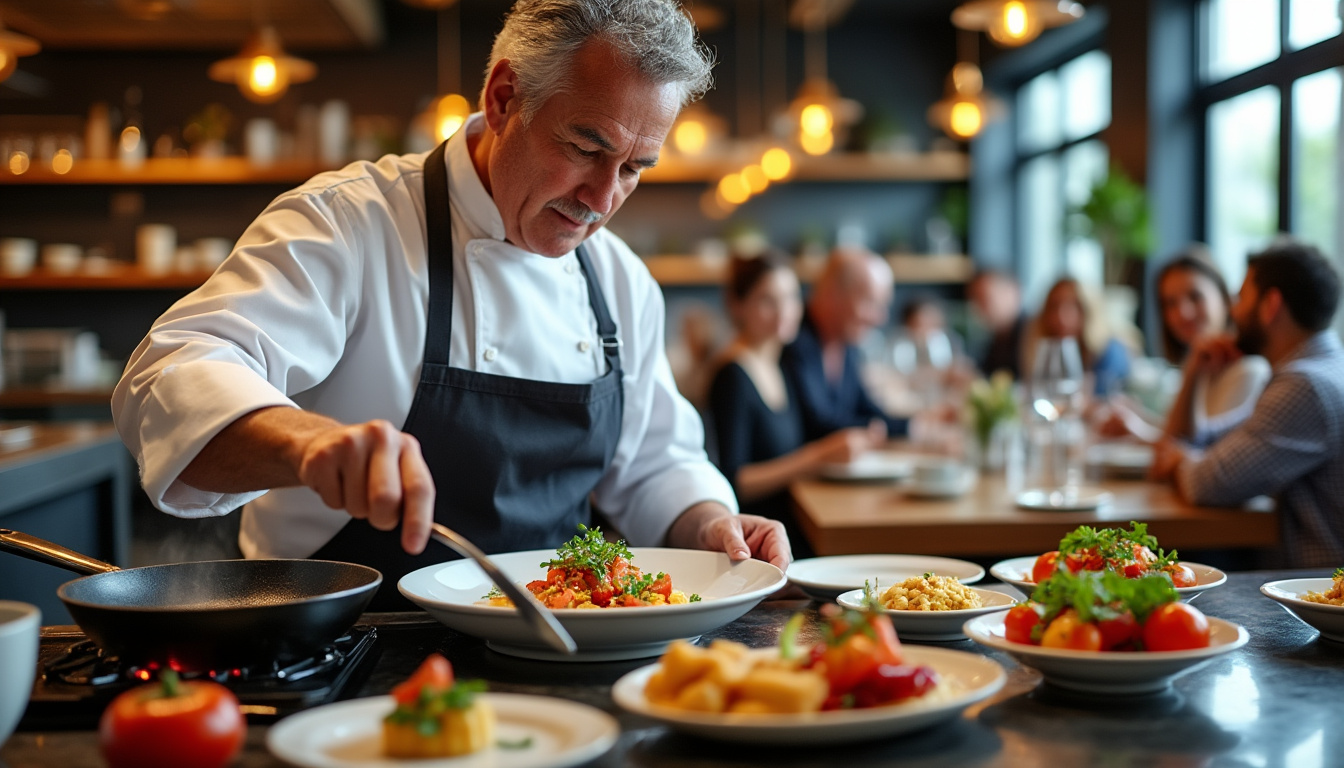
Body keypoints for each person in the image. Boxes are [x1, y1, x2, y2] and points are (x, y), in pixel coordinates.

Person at [111, 0, 789, 610]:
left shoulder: (618, 279)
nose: (603, 198)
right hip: (351, 648)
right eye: (587, 147)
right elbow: (168, 374)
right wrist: (307, 445)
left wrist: (709, 522)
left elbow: (653, 463)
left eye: (637, 168)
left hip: (560, 648)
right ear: (502, 98)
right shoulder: (352, 222)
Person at [1150, 239, 1344, 568]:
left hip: (1318, 604)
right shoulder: (1319, 370)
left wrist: (1181, 459)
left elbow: (1206, 484)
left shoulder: (1305, 385)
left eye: (1242, 297)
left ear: (1270, 305)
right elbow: (1206, 438)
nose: (1234, 310)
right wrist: (1196, 369)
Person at [707, 253, 884, 559]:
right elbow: (734, 481)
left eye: (790, 298)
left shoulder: (780, 364)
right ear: (737, 305)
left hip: (793, 523)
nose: (783, 312)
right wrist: (817, 457)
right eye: (767, 300)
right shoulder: (732, 376)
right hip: (758, 544)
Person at [780, 245, 908, 442]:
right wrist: (877, 429)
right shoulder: (791, 339)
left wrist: (915, 425)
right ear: (832, 295)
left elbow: (865, 408)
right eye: (871, 303)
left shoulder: (845, 342)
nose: (881, 318)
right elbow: (817, 425)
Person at [1153, 247, 1270, 446]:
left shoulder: (1248, 371)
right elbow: (1176, 435)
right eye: (1170, 303)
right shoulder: (1201, 365)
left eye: (1195, 297)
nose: (1183, 313)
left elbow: (1196, 450)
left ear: (1226, 300)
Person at [1022, 277, 1131, 396]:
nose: (1060, 316)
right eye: (1054, 306)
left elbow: (1106, 402)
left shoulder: (1109, 352)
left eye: (1072, 306)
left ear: (1088, 310)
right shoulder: (1044, 352)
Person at [967, 268, 1026, 379]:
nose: (978, 309)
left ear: (1012, 292)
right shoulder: (997, 338)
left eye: (985, 299)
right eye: (975, 301)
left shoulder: (1031, 334)